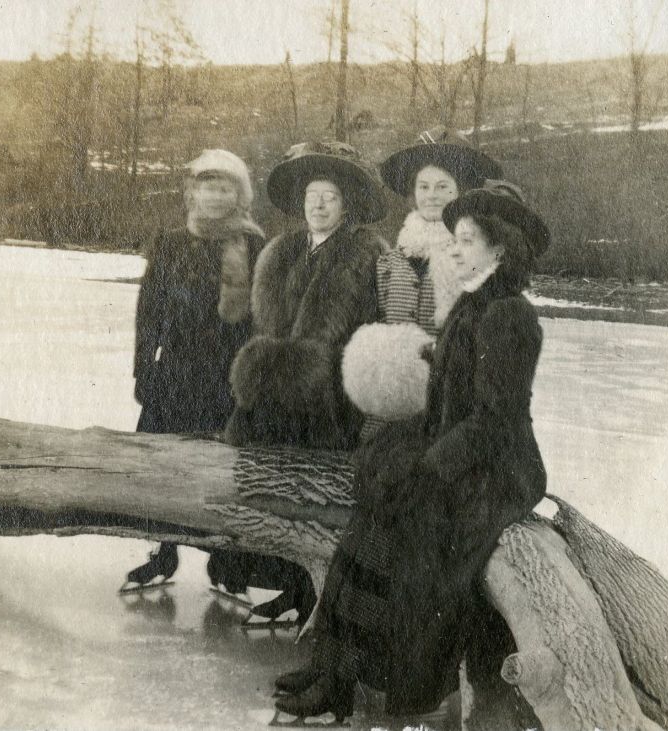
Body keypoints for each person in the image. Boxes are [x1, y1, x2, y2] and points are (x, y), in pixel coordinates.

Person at [273, 182, 551, 724]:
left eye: (467, 241)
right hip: (459, 448)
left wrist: (428, 466)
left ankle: (367, 681)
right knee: (366, 522)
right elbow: (451, 400)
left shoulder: (511, 317)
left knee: (407, 538)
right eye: (455, 239)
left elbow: (494, 422)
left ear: (500, 249)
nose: (454, 250)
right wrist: (408, 446)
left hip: (495, 468)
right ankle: (333, 668)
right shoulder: (476, 303)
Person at [123, 149, 265, 593]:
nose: (215, 196)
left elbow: (264, 319)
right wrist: (143, 369)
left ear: (239, 196)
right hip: (177, 374)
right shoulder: (170, 242)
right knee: (162, 466)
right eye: (207, 187)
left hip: (228, 378)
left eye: (225, 188)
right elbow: (148, 312)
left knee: (221, 468)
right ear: (193, 193)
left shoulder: (255, 245)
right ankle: (163, 552)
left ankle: (225, 562)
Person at [224, 140, 389, 450]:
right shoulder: (280, 252)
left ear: (346, 205)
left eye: (330, 198)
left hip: (331, 403)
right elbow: (262, 327)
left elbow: (372, 334)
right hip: (269, 403)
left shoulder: (368, 255)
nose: (319, 205)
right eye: (311, 197)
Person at [342, 127, 503, 433]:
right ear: (413, 194)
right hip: (389, 412)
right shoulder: (388, 262)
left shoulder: (473, 264)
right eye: (424, 186)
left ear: (460, 193)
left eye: (443, 187)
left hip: (447, 409)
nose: (432, 196)